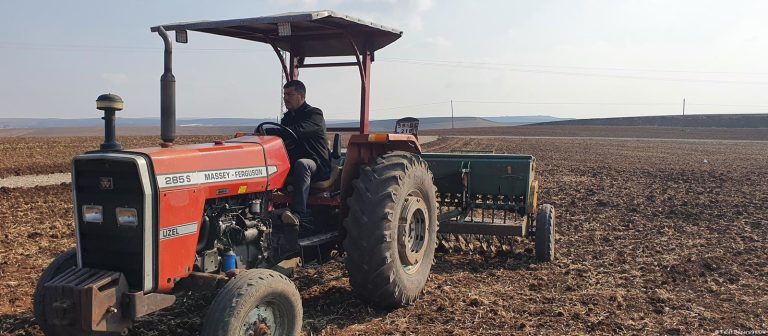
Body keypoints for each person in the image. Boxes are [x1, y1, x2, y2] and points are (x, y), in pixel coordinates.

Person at [279, 80, 331, 225]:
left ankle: (298, 214)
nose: (285, 98)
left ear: (301, 96)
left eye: (289, 94)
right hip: (292, 164)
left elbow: (299, 131)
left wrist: (273, 131)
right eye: (284, 94)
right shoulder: (287, 118)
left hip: (316, 165)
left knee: (302, 164)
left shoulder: (314, 115)